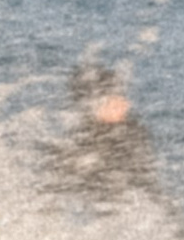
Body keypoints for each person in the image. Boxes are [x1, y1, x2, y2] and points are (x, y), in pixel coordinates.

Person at [39, 54, 165, 208]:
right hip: (103, 205)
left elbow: (148, 183)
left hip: (121, 203)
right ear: (93, 104)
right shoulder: (82, 141)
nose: (126, 103)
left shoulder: (130, 130)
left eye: (122, 95)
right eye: (115, 97)